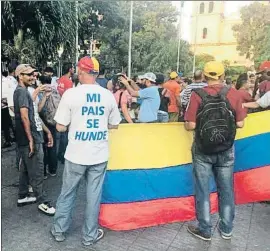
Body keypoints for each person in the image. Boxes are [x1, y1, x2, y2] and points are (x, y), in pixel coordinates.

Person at [51, 57, 121, 246]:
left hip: (75, 155)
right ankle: (89, 236)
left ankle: (59, 231)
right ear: (96, 74)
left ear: (81, 71)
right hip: (99, 155)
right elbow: (114, 125)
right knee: (93, 196)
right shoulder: (107, 95)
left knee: (67, 193)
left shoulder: (71, 95)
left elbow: (60, 127)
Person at [184, 61, 246, 241]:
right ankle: (226, 228)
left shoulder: (197, 95)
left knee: (203, 189)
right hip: (226, 149)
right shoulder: (233, 93)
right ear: (222, 75)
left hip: (202, 150)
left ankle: (205, 229)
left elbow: (191, 125)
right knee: (226, 189)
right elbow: (241, 123)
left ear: (204, 76)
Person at [14, 64, 55, 215]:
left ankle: (23, 195)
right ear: (20, 76)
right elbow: (25, 117)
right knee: (37, 170)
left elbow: (34, 116)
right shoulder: (22, 92)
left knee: (25, 167)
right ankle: (43, 201)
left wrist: (47, 132)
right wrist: (31, 139)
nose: (33, 77)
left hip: (33, 136)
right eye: (28, 74)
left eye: (34, 74)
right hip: (31, 138)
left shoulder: (23, 91)